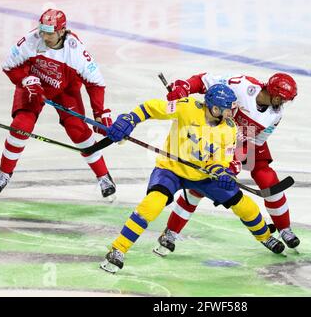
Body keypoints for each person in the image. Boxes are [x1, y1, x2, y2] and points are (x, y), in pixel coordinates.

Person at [100, 84, 285, 273]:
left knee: (244, 204)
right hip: (170, 170)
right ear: (214, 109)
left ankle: (265, 237)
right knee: (152, 204)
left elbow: (220, 161)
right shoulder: (187, 106)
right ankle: (118, 249)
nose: (232, 112)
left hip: (203, 176)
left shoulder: (229, 129)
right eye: (228, 108)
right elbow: (150, 108)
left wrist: (222, 173)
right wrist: (130, 119)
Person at [153, 72, 299, 257]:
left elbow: (256, 141)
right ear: (276, 95)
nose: (284, 103)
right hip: (216, 137)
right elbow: (204, 80)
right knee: (200, 186)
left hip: (243, 142)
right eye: (283, 99)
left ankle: (284, 228)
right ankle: (171, 232)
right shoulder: (243, 86)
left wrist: (235, 160)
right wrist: (185, 87)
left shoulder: (276, 115)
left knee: (268, 178)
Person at [0, 9, 116, 198]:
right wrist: (26, 80)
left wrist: (100, 113)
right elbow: (9, 66)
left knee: (78, 131)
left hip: (65, 89)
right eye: (43, 31)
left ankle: (104, 177)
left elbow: (96, 83)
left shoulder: (76, 52)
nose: (45, 37)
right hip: (34, 84)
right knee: (20, 126)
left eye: (50, 33)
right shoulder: (30, 41)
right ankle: (4, 173)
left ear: (62, 31)